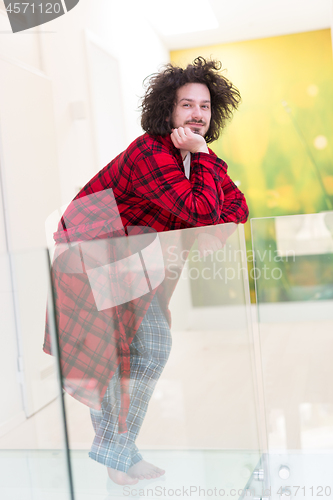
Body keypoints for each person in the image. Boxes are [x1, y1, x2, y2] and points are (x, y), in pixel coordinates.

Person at [43, 57, 249, 486]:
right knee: (140, 348)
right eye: (186, 105)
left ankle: (118, 454)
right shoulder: (151, 152)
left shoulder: (194, 157)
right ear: (167, 111)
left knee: (141, 349)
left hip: (129, 260)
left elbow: (236, 205)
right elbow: (198, 213)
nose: (197, 114)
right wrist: (204, 161)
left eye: (205, 106)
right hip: (90, 256)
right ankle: (119, 453)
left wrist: (204, 166)